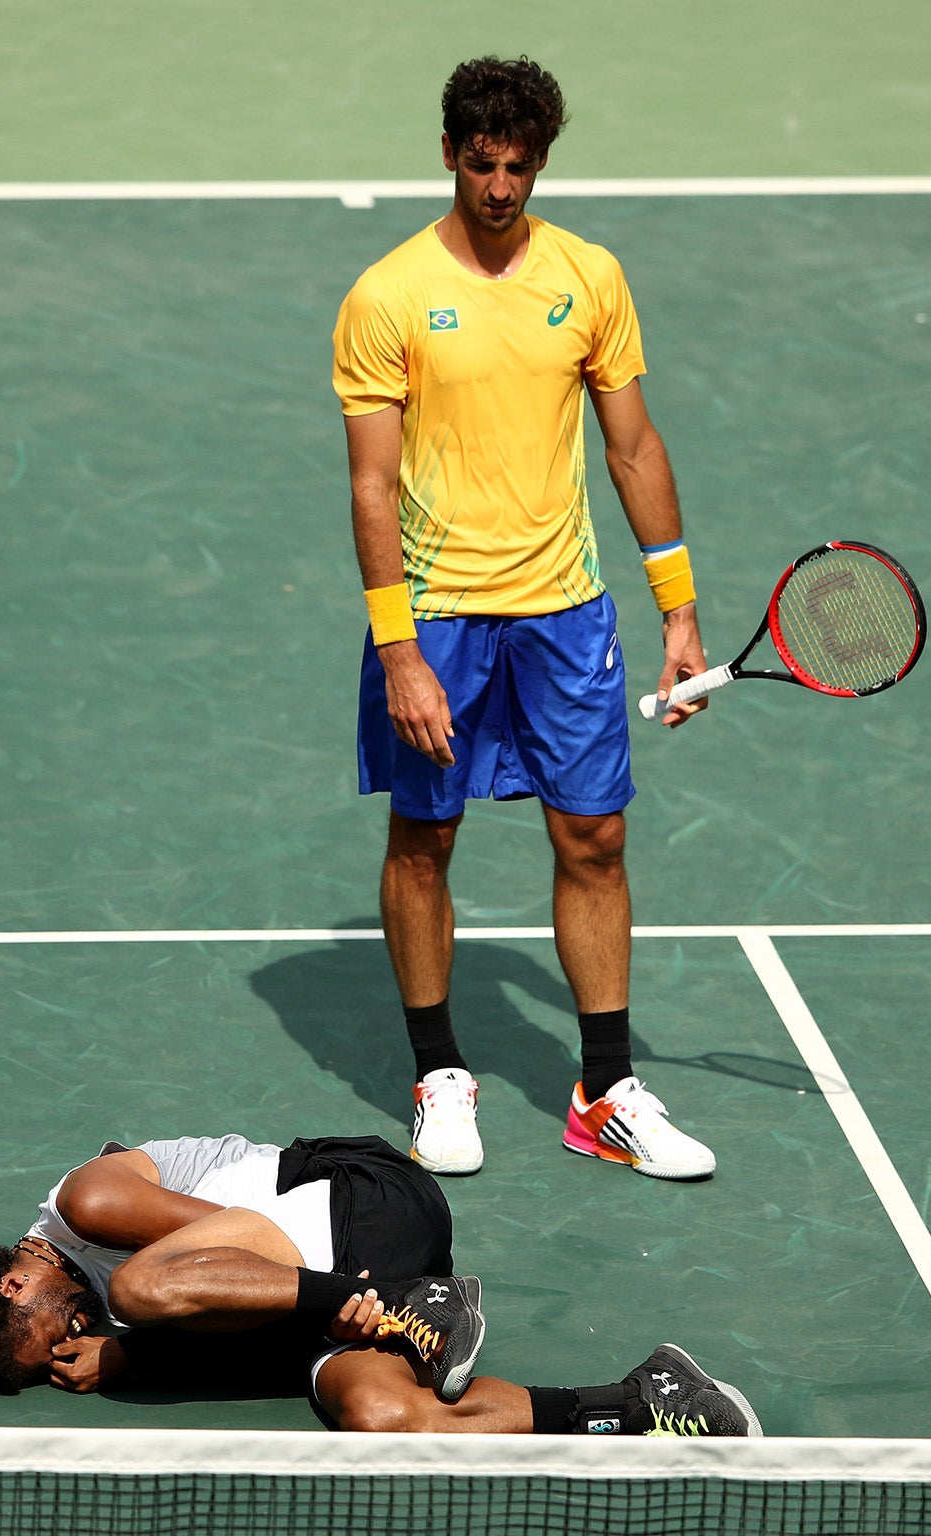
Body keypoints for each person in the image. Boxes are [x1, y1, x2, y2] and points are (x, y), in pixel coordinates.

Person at [334, 56, 717, 1182]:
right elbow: (368, 485)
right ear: (448, 153)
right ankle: (436, 1073)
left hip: (564, 609)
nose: (499, 187)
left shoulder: (587, 276)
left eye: (518, 167)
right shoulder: (388, 294)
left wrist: (678, 611)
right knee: (426, 837)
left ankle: (603, 1092)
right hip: (439, 611)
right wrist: (397, 648)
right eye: (481, 163)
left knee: (593, 838)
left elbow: (632, 445)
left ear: (540, 162)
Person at [0, 1129, 758, 1436]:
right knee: (391, 1423)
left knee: (149, 1287)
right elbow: (268, 1346)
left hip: (367, 1202)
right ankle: (648, 1400)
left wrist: (146, 1338)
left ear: (9, 1291)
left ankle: (413, 1310)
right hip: (337, 1294)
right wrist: (136, 1368)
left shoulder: (87, 1201)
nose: (47, 1360)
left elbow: (264, 1252)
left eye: (20, 1354)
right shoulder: (104, 1329)